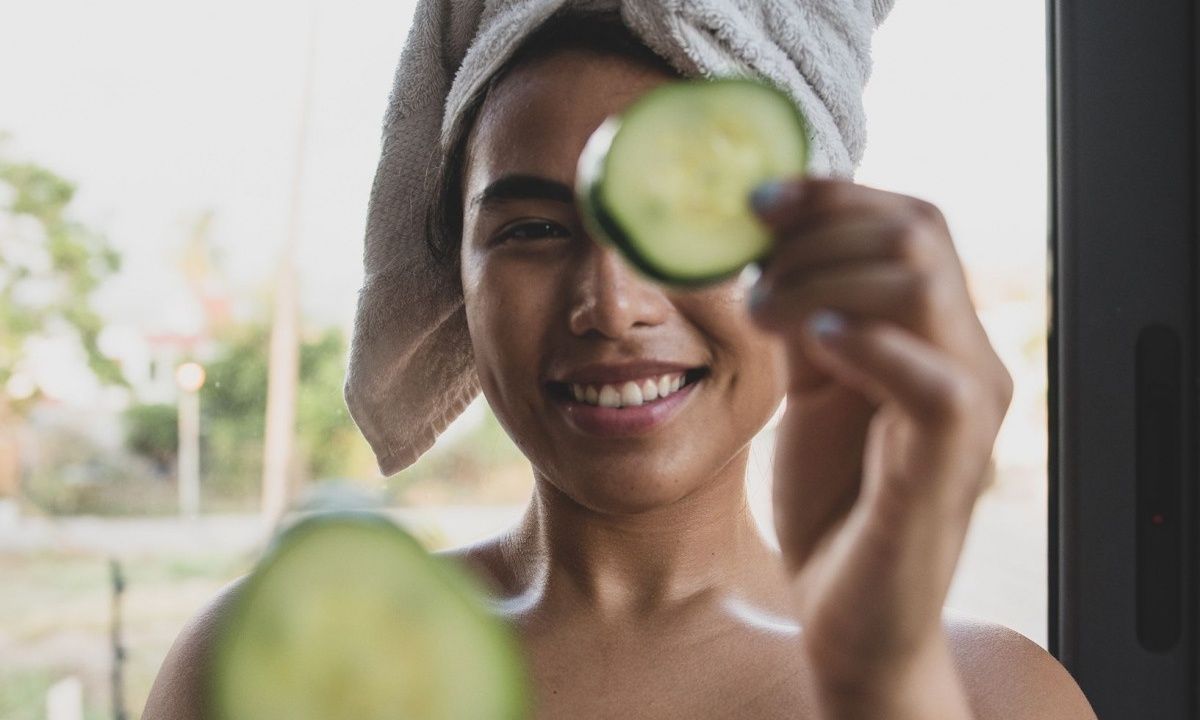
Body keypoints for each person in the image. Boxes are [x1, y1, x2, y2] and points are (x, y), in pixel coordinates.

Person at [144, 9, 1099, 720]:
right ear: (454, 281)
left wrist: (882, 677)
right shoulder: (280, 667)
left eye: (690, 223)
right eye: (531, 228)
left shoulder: (995, 696)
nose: (611, 303)